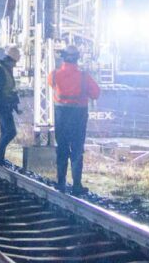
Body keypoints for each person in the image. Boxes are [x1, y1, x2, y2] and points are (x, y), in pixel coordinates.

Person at [48, 44, 99, 194]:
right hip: (78, 118)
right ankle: (77, 185)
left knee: (62, 148)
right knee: (77, 150)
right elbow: (96, 93)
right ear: (78, 58)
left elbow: (51, 84)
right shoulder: (84, 76)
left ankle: (61, 183)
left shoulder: (54, 75)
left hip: (61, 116)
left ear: (63, 58)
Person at [0, 45, 22, 165]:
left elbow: (8, 90)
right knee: (11, 131)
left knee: (5, 131)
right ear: (10, 60)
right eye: (15, 62)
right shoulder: (0, 70)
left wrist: (15, 106)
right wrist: (7, 104)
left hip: (4, 105)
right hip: (1, 105)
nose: (15, 65)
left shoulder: (4, 69)